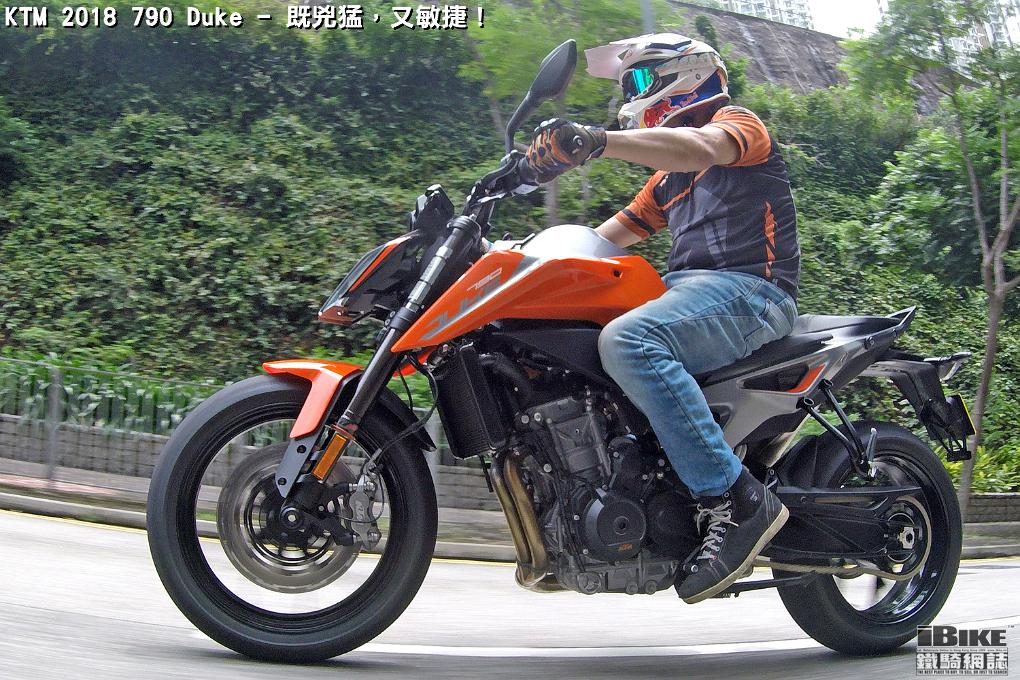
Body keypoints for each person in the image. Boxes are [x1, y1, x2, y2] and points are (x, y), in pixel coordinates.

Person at [520, 33, 801, 603]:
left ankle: (735, 498)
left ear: (688, 74)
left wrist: (599, 140)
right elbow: (598, 242)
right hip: (688, 292)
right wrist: (512, 260)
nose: (634, 93)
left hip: (752, 290)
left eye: (642, 80)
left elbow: (699, 148)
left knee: (630, 341)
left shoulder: (736, 125)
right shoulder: (666, 181)